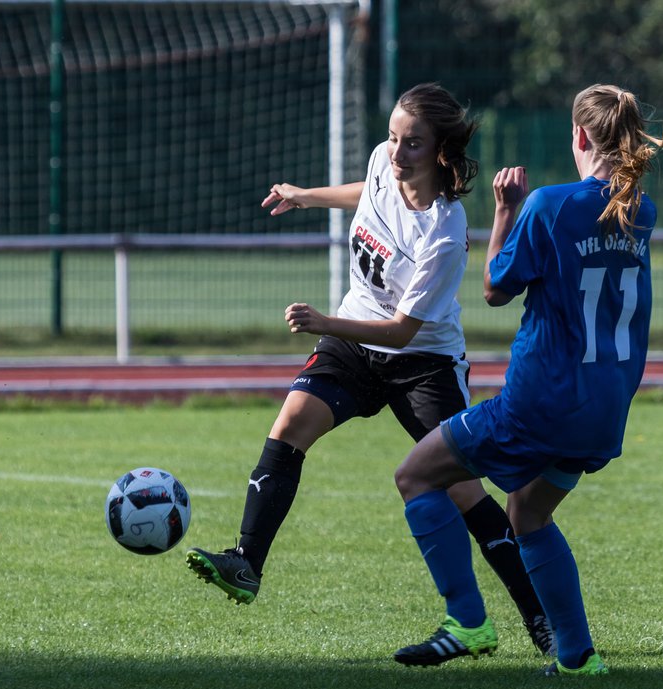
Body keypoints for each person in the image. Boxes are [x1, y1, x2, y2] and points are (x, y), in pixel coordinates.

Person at [185, 82, 555, 657]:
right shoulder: (385, 161)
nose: (396, 150)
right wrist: (307, 196)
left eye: (413, 144)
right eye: (393, 137)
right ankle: (246, 564)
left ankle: (540, 619)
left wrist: (325, 323)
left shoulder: (445, 230)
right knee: (289, 428)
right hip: (355, 341)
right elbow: (369, 192)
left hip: (422, 363)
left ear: (439, 152)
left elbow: (404, 332)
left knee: (459, 490)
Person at [391, 83, 663, 675]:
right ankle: (576, 658)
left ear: (578, 136)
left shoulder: (550, 205)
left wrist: (504, 212)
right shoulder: (639, 210)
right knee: (528, 514)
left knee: (416, 475)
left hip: (539, 403)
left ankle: (467, 622)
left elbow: (496, 289)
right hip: (605, 410)